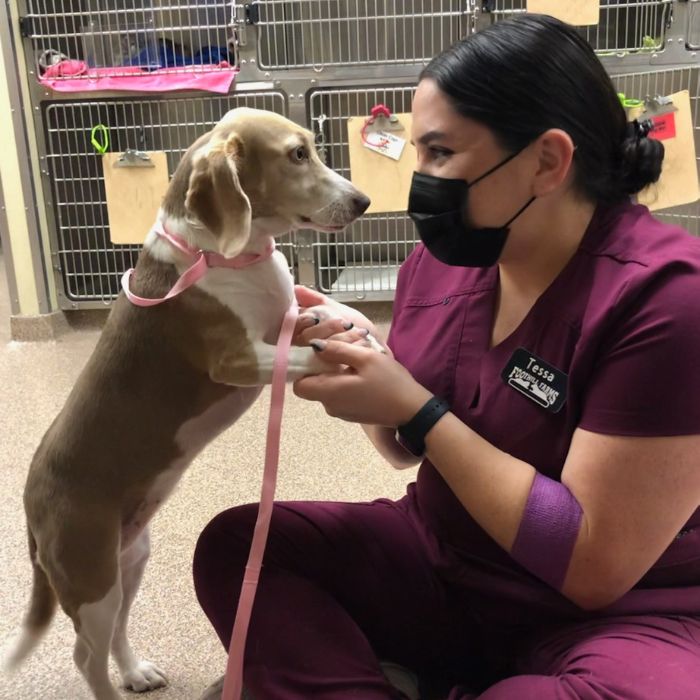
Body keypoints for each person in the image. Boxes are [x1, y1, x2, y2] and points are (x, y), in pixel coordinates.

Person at [192, 14, 700, 700]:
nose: (418, 181)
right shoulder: (439, 266)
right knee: (242, 547)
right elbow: (404, 448)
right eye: (416, 153)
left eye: (440, 154)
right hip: (450, 559)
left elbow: (591, 564)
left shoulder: (667, 301)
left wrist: (419, 408)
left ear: (548, 161)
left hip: (613, 616)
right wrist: (366, 358)